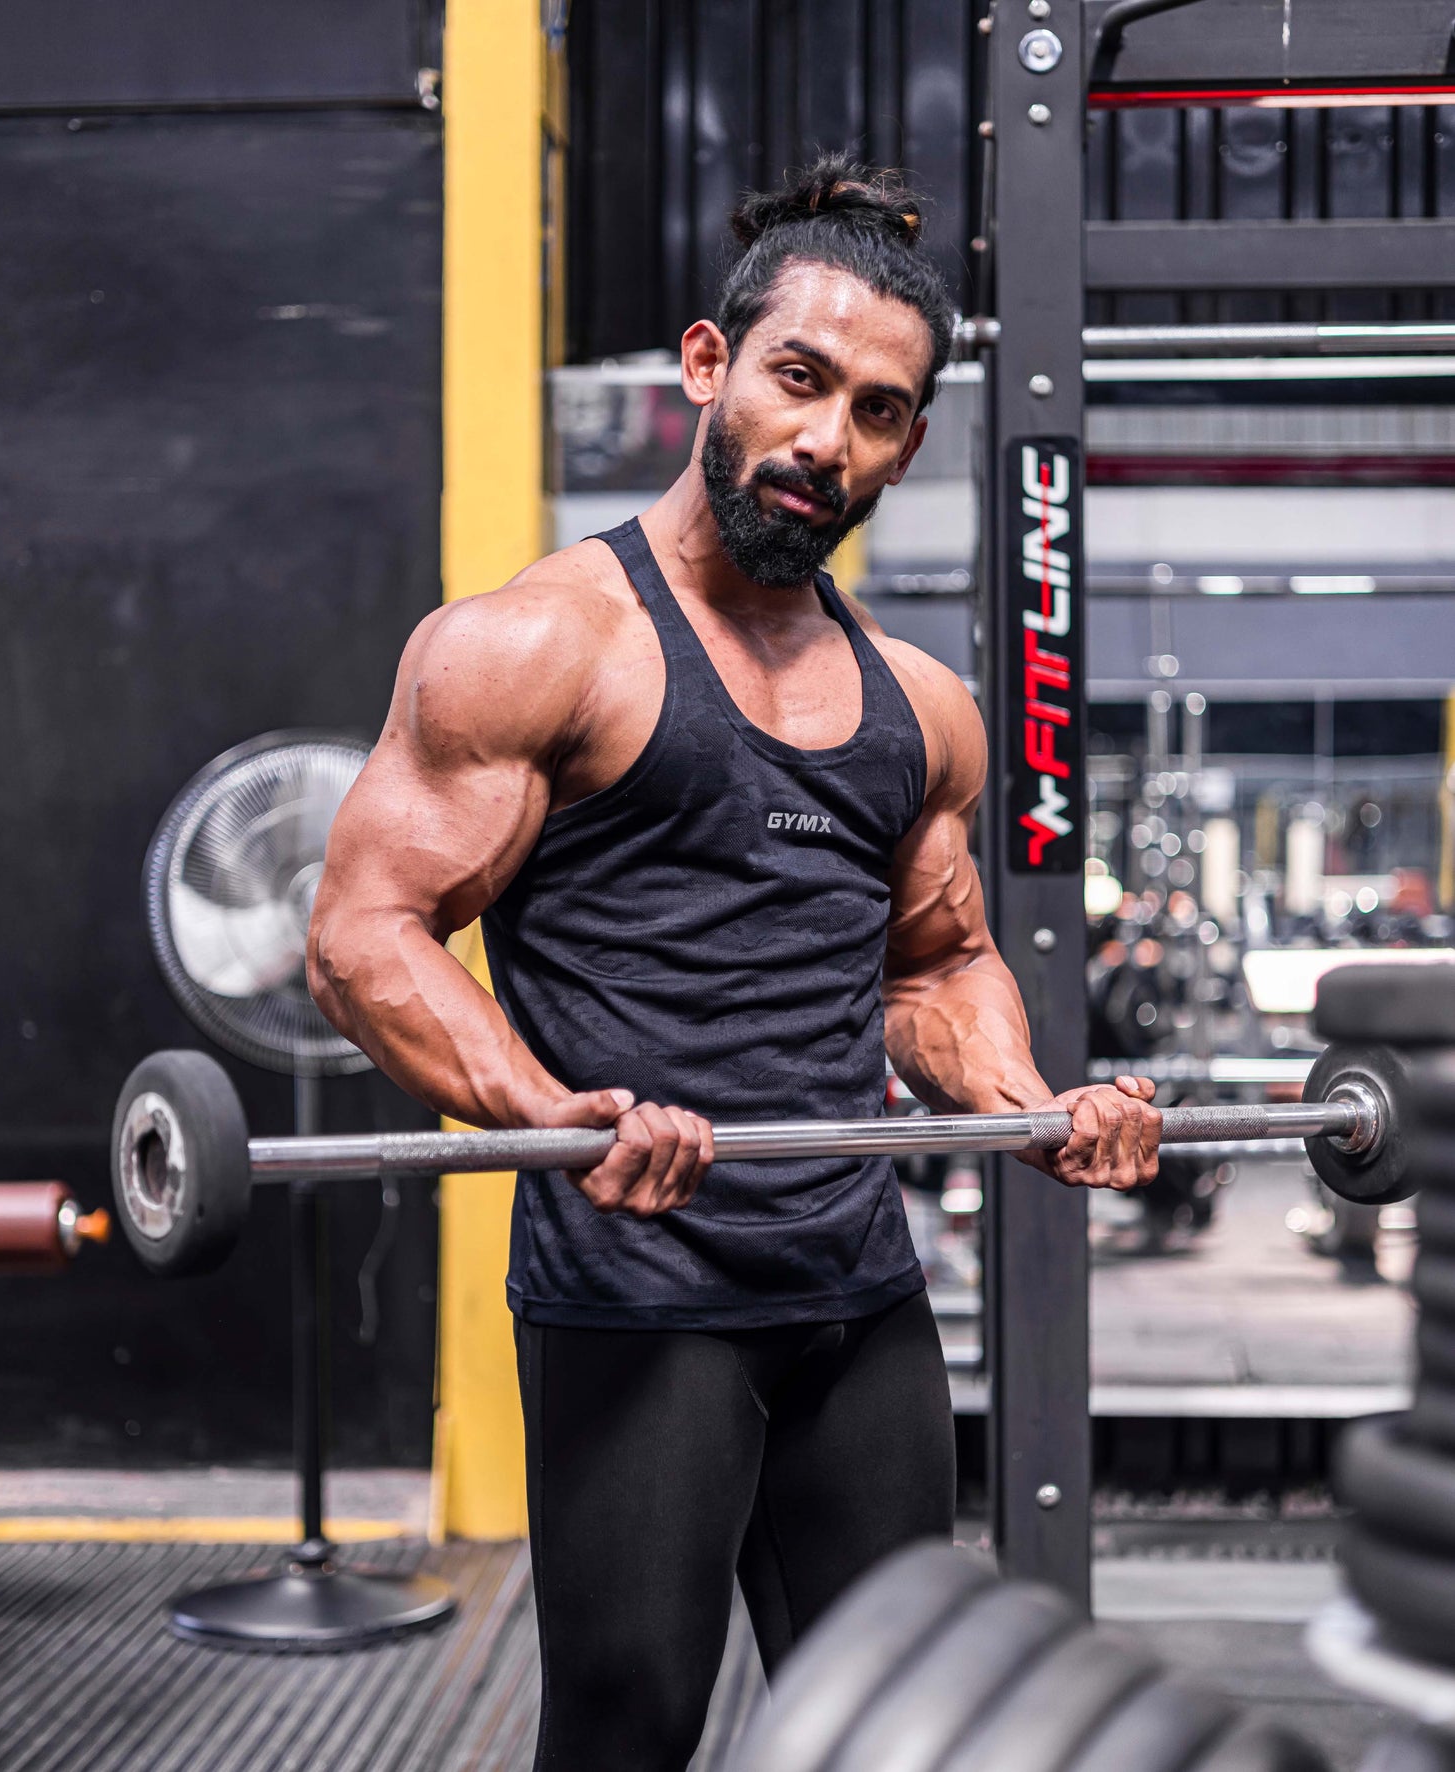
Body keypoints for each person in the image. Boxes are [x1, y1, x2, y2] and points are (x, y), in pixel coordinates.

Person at [307, 153, 1162, 1772]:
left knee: (902, 1727)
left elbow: (937, 968)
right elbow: (361, 938)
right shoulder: (538, 646)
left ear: (910, 444)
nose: (828, 439)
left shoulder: (923, 707)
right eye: (800, 379)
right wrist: (548, 1111)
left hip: (857, 1292)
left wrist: (1035, 1102)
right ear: (711, 365)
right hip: (640, 1296)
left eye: (879, 412)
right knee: (630, 1726)